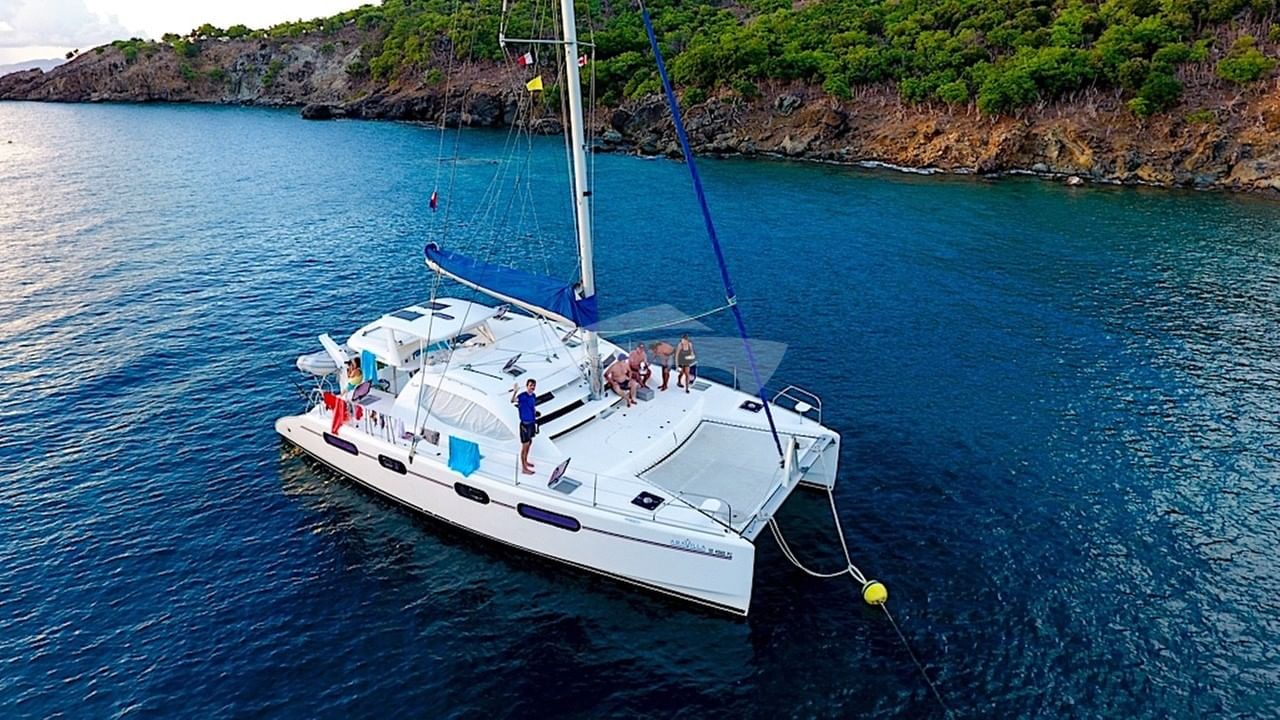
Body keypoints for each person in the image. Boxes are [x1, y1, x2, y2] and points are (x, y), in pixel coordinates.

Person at [511, 379, 538, 475]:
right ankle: (524, 468)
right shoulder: (522, 396)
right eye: (531, 385)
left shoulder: (533, 396)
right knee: (525, 445)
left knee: (530, 442)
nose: (532, 387)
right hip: (525, 425)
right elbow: (512, 400)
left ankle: (525, 461)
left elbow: (533, 406)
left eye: (534, 385)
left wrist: (535, 414)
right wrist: (515, 392)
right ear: (527, 386)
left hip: (531, 423)